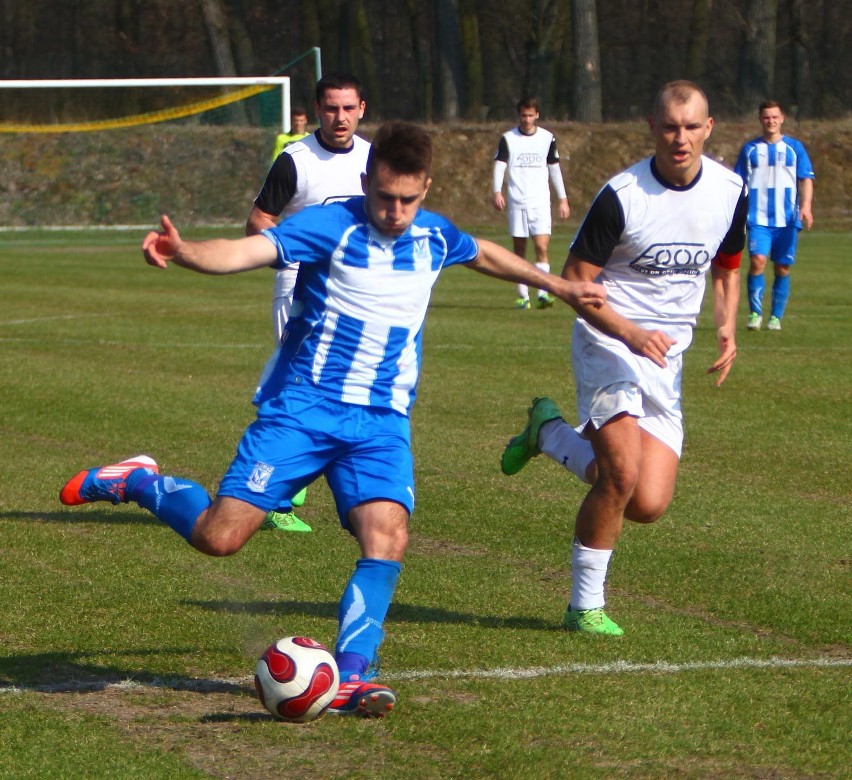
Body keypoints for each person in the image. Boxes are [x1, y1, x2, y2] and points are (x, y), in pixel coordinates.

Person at [60, 122, 607, 717]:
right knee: (219, 537)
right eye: (384, 197)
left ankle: (351, 673)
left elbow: (484, 252)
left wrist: (555, 283)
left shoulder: (433, 235)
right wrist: (186, 252)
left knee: (387, 535)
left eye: (409, 199)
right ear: (367, 180)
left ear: (426, 188)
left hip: (380, 423)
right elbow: (247, 251)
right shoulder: (329, 225)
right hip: (302, 412)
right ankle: (138, 479)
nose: (395, 211)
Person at [500, 81, 747, 636]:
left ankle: (548, 434)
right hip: (607, 340)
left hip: (666, 359)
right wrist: (629, 332)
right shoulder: (624, 195)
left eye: (690, 127)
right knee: (620, 474)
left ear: (709, 129)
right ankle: (584, 606)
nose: (679, 138)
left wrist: (727, 327)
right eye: (669, 127)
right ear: (652, 128)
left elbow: (727, 263)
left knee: (647, 502)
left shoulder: (731, 190)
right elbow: (573, 281)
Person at [248, 72, 371, 534]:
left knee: (342, 387)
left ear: (362, 109)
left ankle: (290, 484)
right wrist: (283, 258)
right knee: (297, 386)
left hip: (354, 293)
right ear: (318, 110)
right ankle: (277, 495)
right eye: (331, 108)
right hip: (299, 289)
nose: (340, 117)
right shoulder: (295, 160)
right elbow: (259, 219)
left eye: (348, 108)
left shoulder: (373, 158)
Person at [734, 100, 815, 332]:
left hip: (787, 219)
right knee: (757, 262)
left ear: (782, 119)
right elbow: (738, 182)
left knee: (782, 268)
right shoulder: (750, 149)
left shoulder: (794, 148)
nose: (771, 121)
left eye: (775, 117)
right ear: (761, 119)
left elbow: (806, 179)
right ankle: (755, 314)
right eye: (766, 117)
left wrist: (806, 206)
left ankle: (775, 318)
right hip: (758, 218)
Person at [492, 96, 571, 310]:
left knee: (541, 247)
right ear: (519, 116)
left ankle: (543, 294)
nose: (527, 119)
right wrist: (497, 191)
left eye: (530, 115)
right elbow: (500, 165)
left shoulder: (547, 138)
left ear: (537, 115)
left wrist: (562, 199)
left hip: (540, 202)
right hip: (517, 201)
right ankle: (523, 296)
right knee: (519, 251)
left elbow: (554, 169)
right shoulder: (508, 138)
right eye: (523, 115)